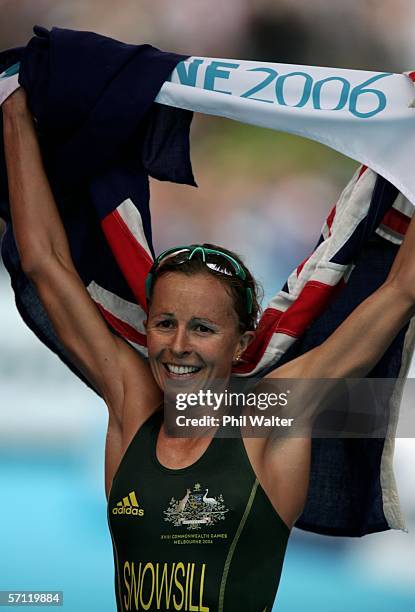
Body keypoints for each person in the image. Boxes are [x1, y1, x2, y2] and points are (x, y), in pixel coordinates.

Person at [3, 86, 415, 612]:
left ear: (242, 342)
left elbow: (401, 291)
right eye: (165, 323)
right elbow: (45, 265)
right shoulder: (132, 406)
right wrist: (14, 107)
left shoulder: (270, 417)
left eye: (202, 329)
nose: (178, 346)